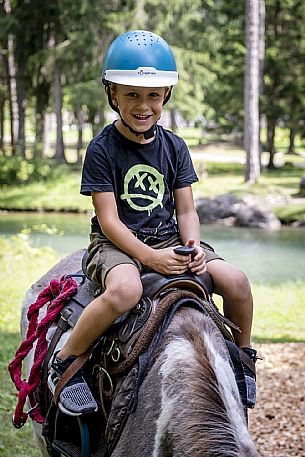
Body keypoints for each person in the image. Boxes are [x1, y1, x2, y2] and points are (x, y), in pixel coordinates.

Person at [48, 30, 257, 416]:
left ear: (166, 96)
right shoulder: (102, 149)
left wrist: (192, 246)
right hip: (115, 243)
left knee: (237, 282)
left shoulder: (175, 146)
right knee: (125, 291)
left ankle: (242, 358)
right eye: (131, 95)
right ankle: (66, 360)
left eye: (153, 95)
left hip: (170, 238)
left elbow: (186, 211)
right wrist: (150, 259)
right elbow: (109, 220)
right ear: (112, 95)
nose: (143, 105)